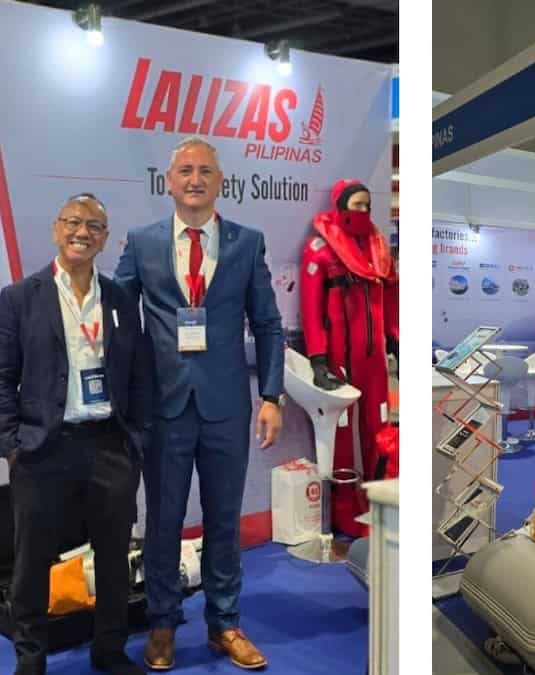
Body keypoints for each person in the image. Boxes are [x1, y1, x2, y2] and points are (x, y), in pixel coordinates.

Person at [115, 137, 284, 670]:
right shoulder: (141, 242)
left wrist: (272, 394)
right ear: (169, 181)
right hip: (162, 408)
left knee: (224, 519)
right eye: (185, 170)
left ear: (220, 181)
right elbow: (118, 319)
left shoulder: (246, 243)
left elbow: (268, 323)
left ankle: (224, 623)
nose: (195, 179)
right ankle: (162, 624)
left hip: (227, 407)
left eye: (205, 171)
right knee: (164, 521)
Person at [0, 195, 152, 675]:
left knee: (112, 556)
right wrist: (12, 444)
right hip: (43, 448)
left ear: (105, 239)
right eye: (72, 222)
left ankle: (109, 649)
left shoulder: (121, 300)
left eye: (93, 226)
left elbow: (139, 376)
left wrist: (136, 440)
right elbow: (2, 377)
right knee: (31, 561)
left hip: (109, 445)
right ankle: (31, 658)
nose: (81, 232)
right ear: (55, 229)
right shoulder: (19, 298)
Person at [299, 179, 398, 536]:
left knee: (380, 428)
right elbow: (311, 309)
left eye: (367, 205)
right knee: (340, 433)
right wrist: (318, 358)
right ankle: (342, 510)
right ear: (341, 206)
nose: (364, 211)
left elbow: (390, 298)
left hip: (374, 360)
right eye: (357, 205)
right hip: (339, 359)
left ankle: (380, 502)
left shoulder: (378, 250)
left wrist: (395, 340)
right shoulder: (321, 250)